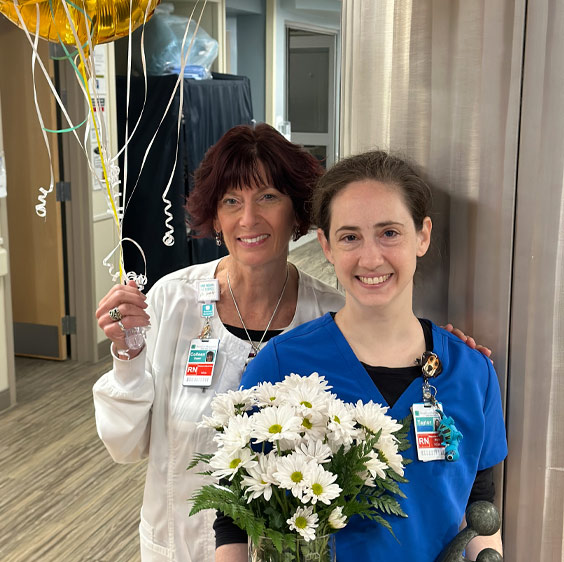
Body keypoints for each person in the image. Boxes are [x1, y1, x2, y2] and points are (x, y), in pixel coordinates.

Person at [93, 125, 489, 562]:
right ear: (215, 216)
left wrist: (447, 356)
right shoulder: (173, 300)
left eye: (267, 197)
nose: (248, 219)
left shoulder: (328, 314)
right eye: (231, 201)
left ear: (296, 212)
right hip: (180, 543)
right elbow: (125, 446)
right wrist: (128, 358)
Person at [216, 150, 507, 562]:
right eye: (350, 236)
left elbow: (480, 513)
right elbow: (233, 518)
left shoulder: (471, 373)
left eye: (390, 232)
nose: (371, 258)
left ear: (422, 236)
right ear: (326, 245)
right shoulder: (279, 368)